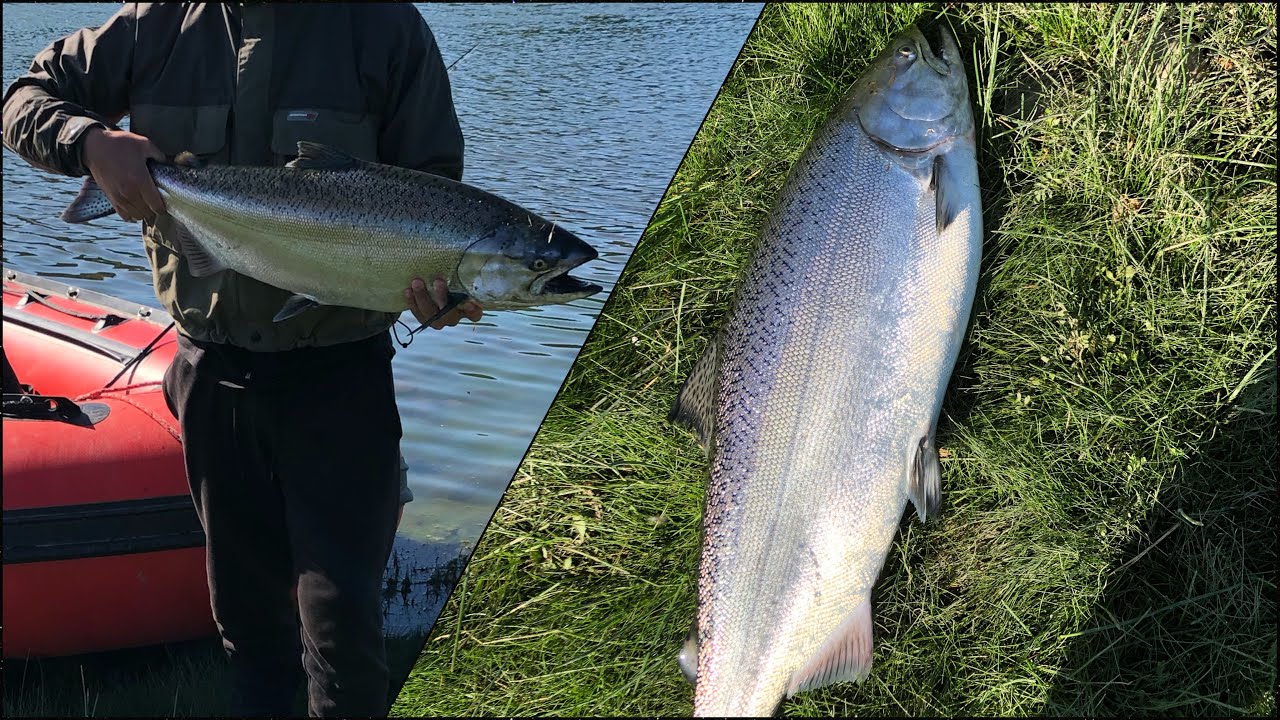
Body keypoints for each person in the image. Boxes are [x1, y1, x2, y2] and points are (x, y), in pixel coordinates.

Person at [2, 4, 483, 716]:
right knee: (249, 634)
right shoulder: (149, 24)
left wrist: (437, 286)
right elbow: (21, 101)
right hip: (210, 378)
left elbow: (438, 191)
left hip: (339, 383)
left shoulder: (384, 27)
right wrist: (90, 141)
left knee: (345, 635)